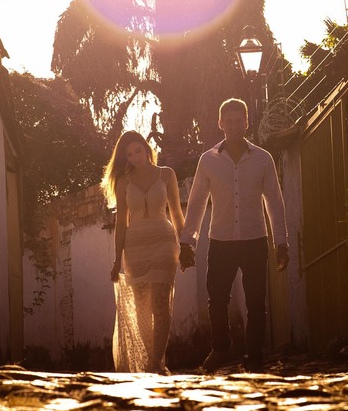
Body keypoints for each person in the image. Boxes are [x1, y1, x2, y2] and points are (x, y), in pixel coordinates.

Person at [179, 98, 289, 373]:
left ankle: (254, 355)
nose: (234, 126)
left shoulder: (263, 159)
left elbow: (274, 202)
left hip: (254, 240)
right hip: (221, 242)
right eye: (229, 121)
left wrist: (281, 242)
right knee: (216, 300)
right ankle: (221, 346)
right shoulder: (208, 160)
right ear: (220, 123)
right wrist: (187, 242)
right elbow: (196, 203)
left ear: (246, 122)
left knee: (256, 302)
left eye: (239, 120)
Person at [104, 131, 185, 374]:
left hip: (164, 242)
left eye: (138, 150)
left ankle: (154, 363)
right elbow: (121, 224)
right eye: (129, 155)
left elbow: (176, 214)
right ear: (125, 158)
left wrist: (186, 245)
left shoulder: (166, 174)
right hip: (135, 247)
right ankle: (155, 361)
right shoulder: (123, 182)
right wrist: (116, 260)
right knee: (141, 309)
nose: (135, 157)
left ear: (146, 148)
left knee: (160, 305)